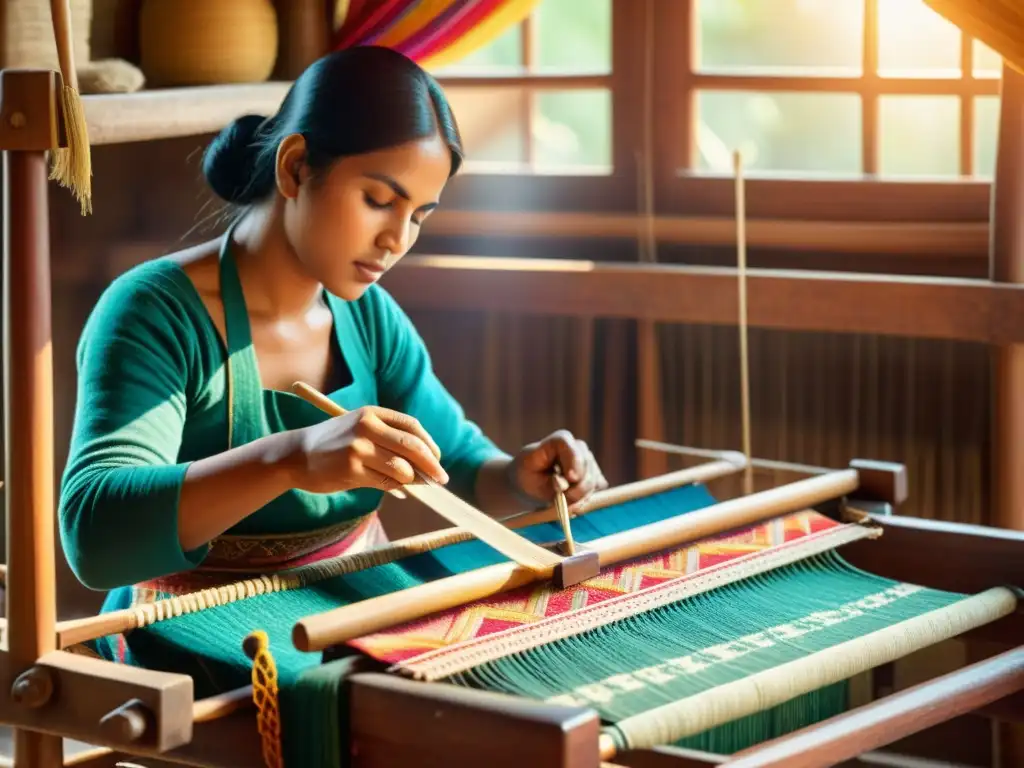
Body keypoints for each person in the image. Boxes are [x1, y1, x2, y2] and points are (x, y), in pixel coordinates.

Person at [58, 46, 608, 665]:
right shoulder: (154, 311)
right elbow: (96, 534)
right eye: (378, 199)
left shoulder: (366, 315)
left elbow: (454, 461)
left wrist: (519, 476)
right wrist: (291, 458)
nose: (396, 241)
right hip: (195, 630)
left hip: (347, 607)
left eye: (418, 216)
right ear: (294, 168)